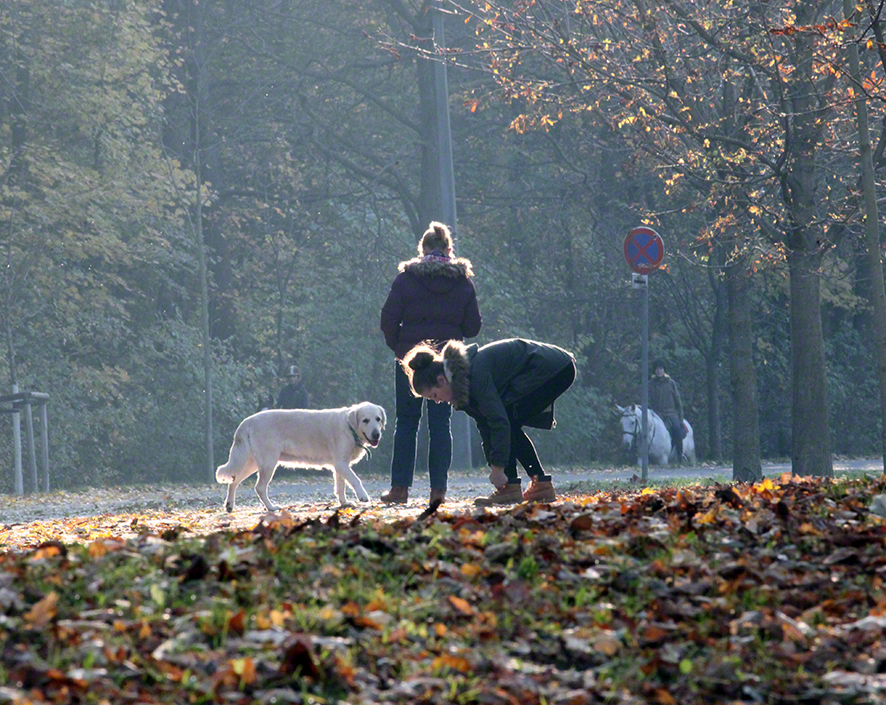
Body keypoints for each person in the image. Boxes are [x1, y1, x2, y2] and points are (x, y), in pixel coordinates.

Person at [401, 338, 575, 506]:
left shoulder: (474, 375)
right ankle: (523, 485)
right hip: (550, 367)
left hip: (556, 368)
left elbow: (499, 422)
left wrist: (499, 468)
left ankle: (525, 486)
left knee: (507, 421)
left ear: (441, 380)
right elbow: (485, 427)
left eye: (434, 396)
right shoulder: (463, 385)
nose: (438, 402)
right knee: (507, 421)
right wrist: (494, 465)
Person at [379, 222, 482, 505]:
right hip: (446, 365)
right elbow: (473, 326)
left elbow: (387, 319)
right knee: (440, 425)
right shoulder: (462, 282)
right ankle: (438, 491)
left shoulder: (406, 280)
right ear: (449, 249)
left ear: (422, 250)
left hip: (411, 360)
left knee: (406, 423)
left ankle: (399, 489)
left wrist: (402, 350)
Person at [648, 359, 685, 462]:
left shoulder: (671, 383)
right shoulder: (650, 384)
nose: (659, 371)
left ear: (664, 370)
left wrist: (680, 417)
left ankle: (680, 454)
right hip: (656, 413)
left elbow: (678, 400)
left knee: (677, 430)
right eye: (657, 369)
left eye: (661, 369)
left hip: (671, 413)